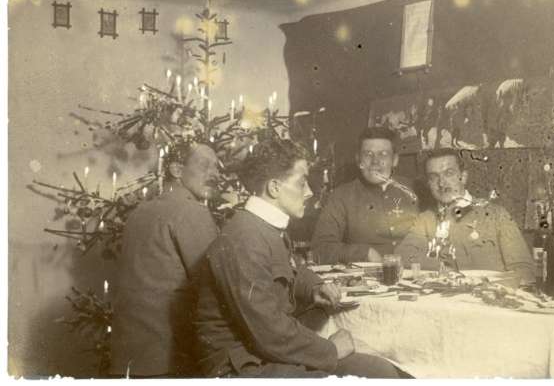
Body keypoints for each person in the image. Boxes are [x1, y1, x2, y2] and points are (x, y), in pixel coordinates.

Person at [193, 139, 399, 378]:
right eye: (302, 183)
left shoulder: (263, 226)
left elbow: (288, 268)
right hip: (244, 367)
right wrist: (330, 350)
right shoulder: (244, 238)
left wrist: (314, 287)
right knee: (378, 374)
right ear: (274, 188)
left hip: (265, 354)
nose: (309, 192)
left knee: (379, 369)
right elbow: (269, 332)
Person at [110, 142, 221, 377]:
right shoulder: (192, 211)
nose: (215, 174)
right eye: (205, 166)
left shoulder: (138, 213)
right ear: (177, 170)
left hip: (126, 358)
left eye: (217, 167)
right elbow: (215, 284)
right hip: (170, 359)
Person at [395, 147, 535, 284]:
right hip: (447, 295)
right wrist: (445, 270)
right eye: (434, 177)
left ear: (463, 177)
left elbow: (523, 268)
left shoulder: (496, 215)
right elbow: (402, 256)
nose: (442, 183)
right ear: (429, 183)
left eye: (449, 173)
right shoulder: (426, 219)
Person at [311, 127, 418, 264]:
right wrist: (363, 253)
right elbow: (320, 249)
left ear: (395, 160)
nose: (375, 161)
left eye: (383, 154)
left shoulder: (415, 190)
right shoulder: (341, 196)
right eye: (368, 154)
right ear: (358, 160)